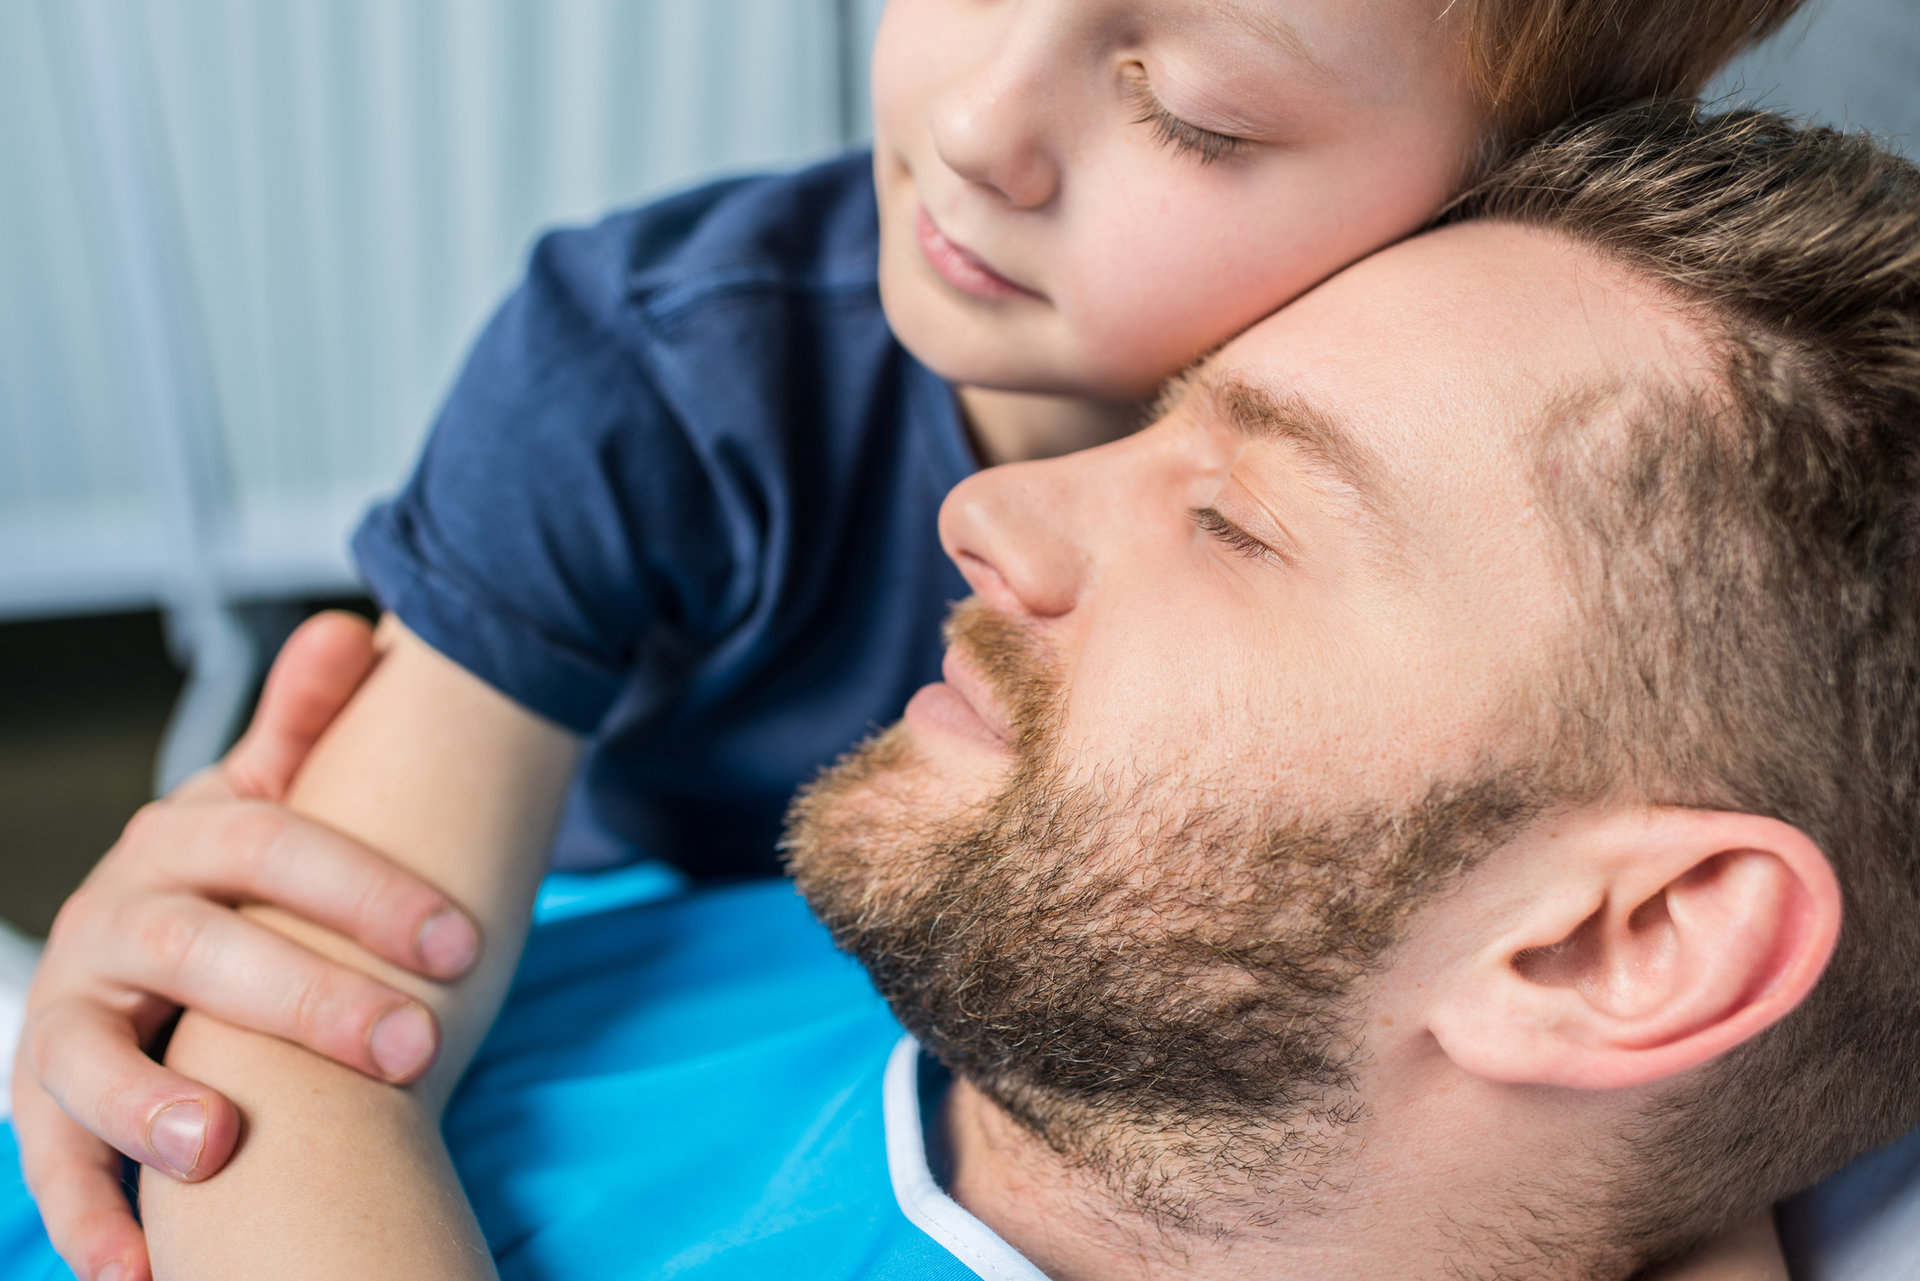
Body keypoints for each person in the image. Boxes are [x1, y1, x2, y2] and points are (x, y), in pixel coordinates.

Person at [9, 2, 1816, 1279]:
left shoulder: (1550, 517)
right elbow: (310, 1027)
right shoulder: (664, 374)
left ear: (1523, 183)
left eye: (1192, 107)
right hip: (579, 936)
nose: (971, 124)